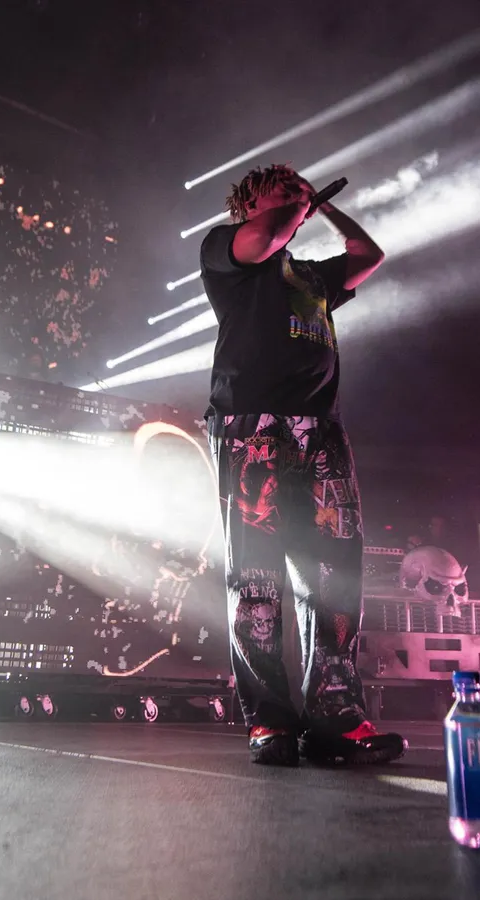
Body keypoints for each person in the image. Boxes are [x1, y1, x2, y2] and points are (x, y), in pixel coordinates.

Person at [200, 164, 407, 766]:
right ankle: (270, 720)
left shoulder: (311, 276)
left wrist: (326, 208)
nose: (297, 192)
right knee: (257, 579)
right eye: (283, 187)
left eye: (300, 187)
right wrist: (299, 207)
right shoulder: (227, 249)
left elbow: (368, 255)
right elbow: (266, 236)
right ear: (249, 203)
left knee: (333, 577)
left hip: (321, 431)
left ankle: (335, 716)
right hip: (252, 427)